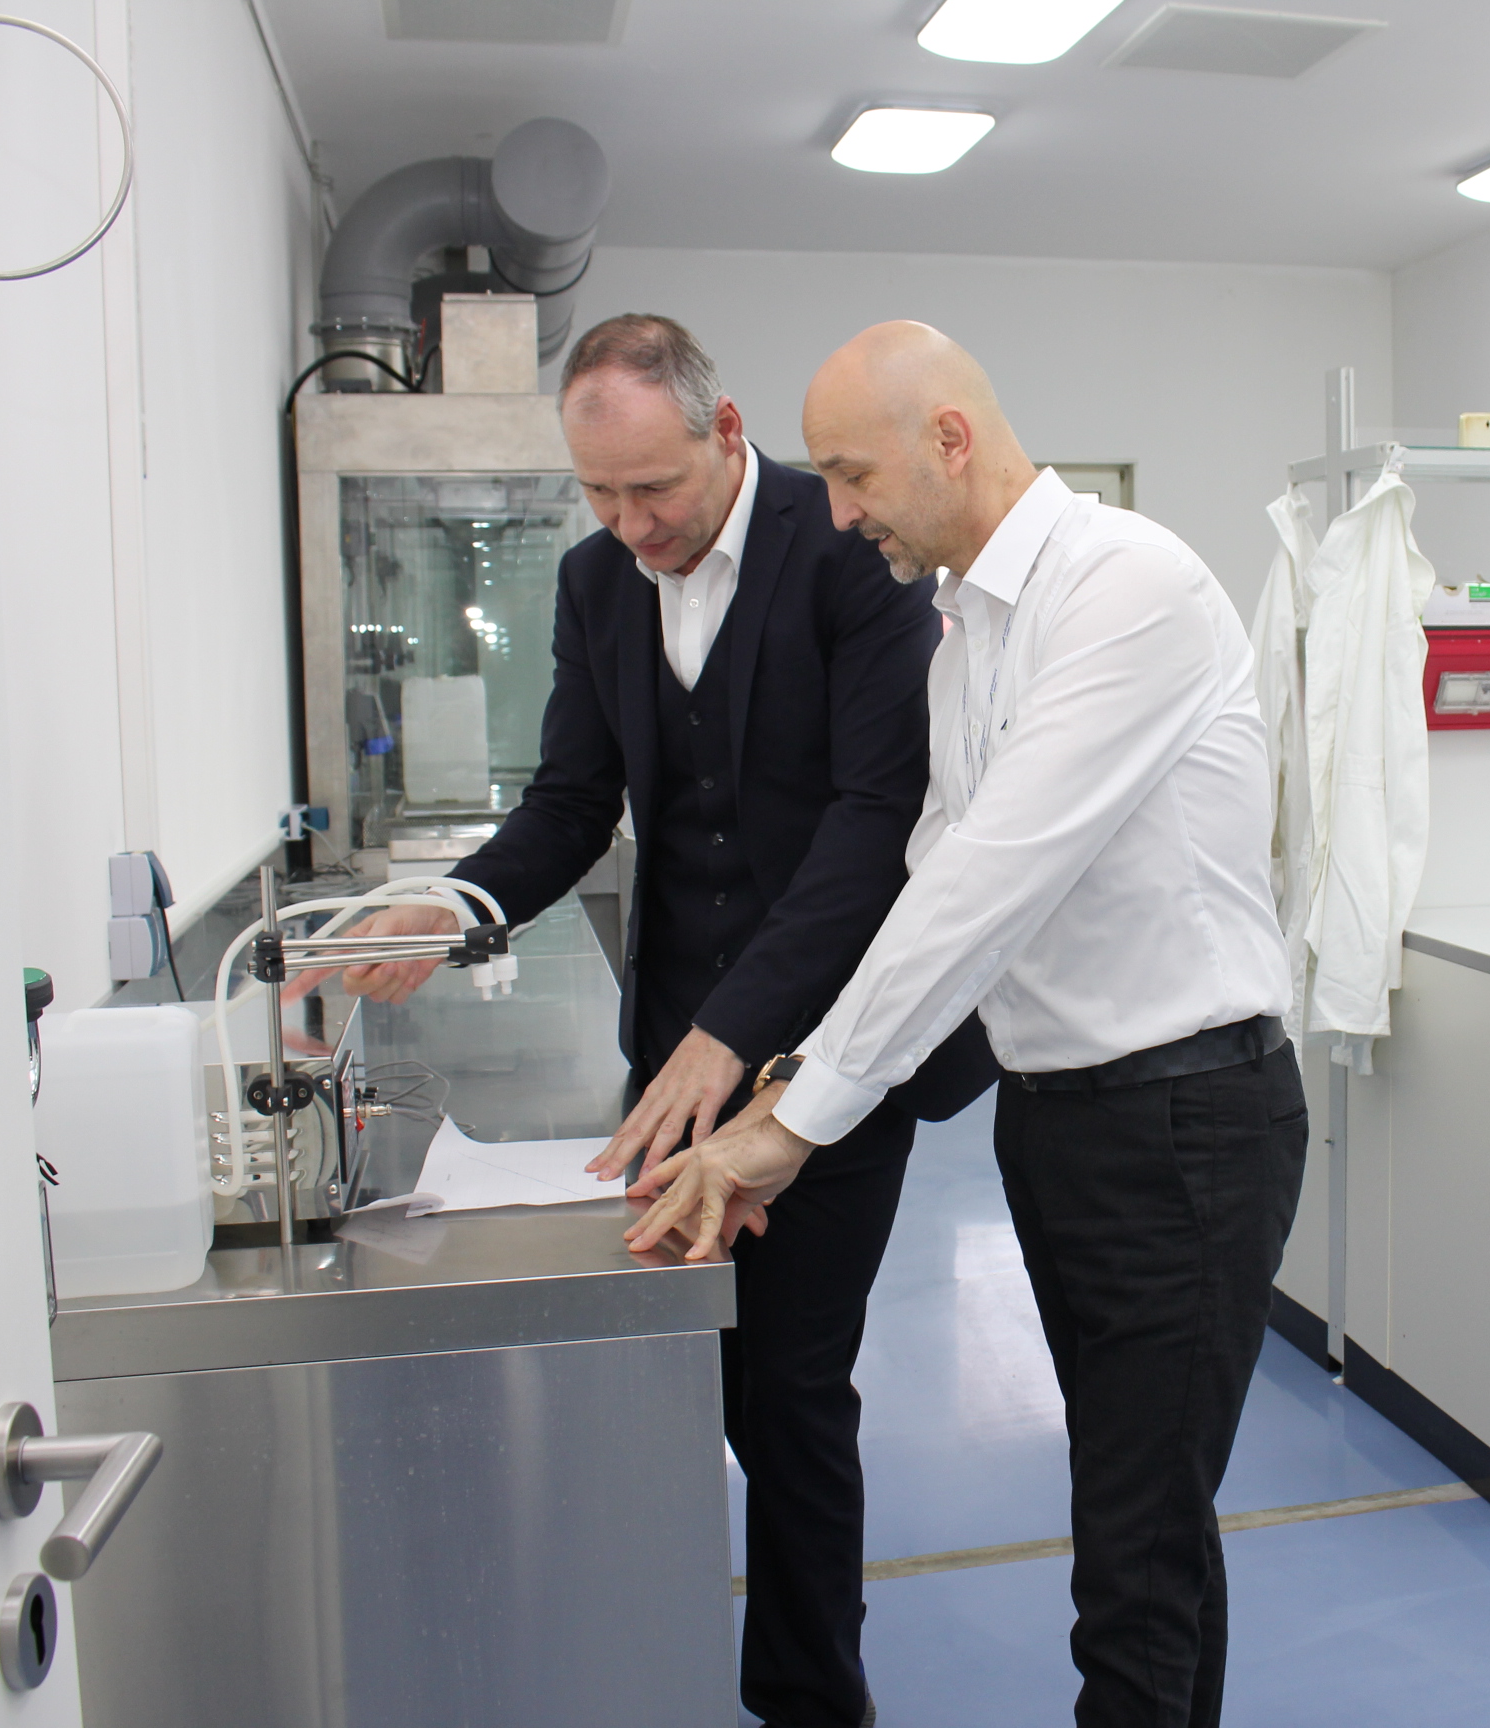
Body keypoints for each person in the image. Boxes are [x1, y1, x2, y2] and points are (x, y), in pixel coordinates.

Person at [304, 313, 995, 1728]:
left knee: (791, 1387)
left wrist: (737, 1034)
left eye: (654, 490)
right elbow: (573, 801)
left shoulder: (845, 555)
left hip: (827, 1056)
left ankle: (811, 1699)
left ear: (725, 432)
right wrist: (450, 903)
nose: (630, 526)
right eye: (600, 495)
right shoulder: (595, 584)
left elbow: (876, 822)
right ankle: (657, 1655)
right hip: (676, 1052)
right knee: (692, 1365)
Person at [630, 321, 1308, 1728]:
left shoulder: (1128, 586)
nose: (837, 514)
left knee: (1131, 1554)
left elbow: (992, 881)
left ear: (950, 439)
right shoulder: (969, 630)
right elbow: (930, 874)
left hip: (1186, 1122)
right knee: (1149, 1513)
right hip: (1057, 1122)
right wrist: (788, 1096)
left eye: (852, 474)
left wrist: (790, 1128)